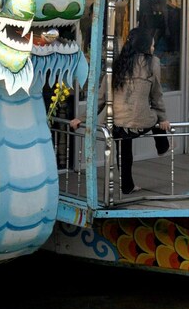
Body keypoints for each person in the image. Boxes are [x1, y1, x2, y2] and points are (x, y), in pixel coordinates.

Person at [70, 27, 170, 195]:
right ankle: (163, 146)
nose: (153, 49)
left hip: (116, 123)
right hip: (140, 120)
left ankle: (127, 186)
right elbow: (156, 95)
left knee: (124, 151)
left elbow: (100, 99)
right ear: (145, 46)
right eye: (152, 46)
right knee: (155, 118)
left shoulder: (116, 64)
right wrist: (163, 119)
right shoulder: (153, 62)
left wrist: (81, 118)